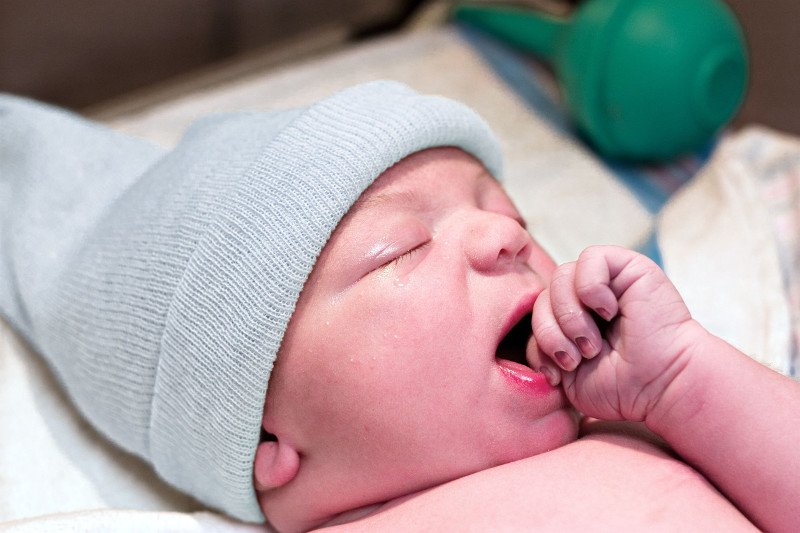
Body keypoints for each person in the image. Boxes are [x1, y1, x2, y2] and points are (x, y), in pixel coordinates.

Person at [1, 81, 797, 532]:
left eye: (516, 218)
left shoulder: (643, 418)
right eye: (403, 247)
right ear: (273, 439)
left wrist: (686, 380)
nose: (502, 235)